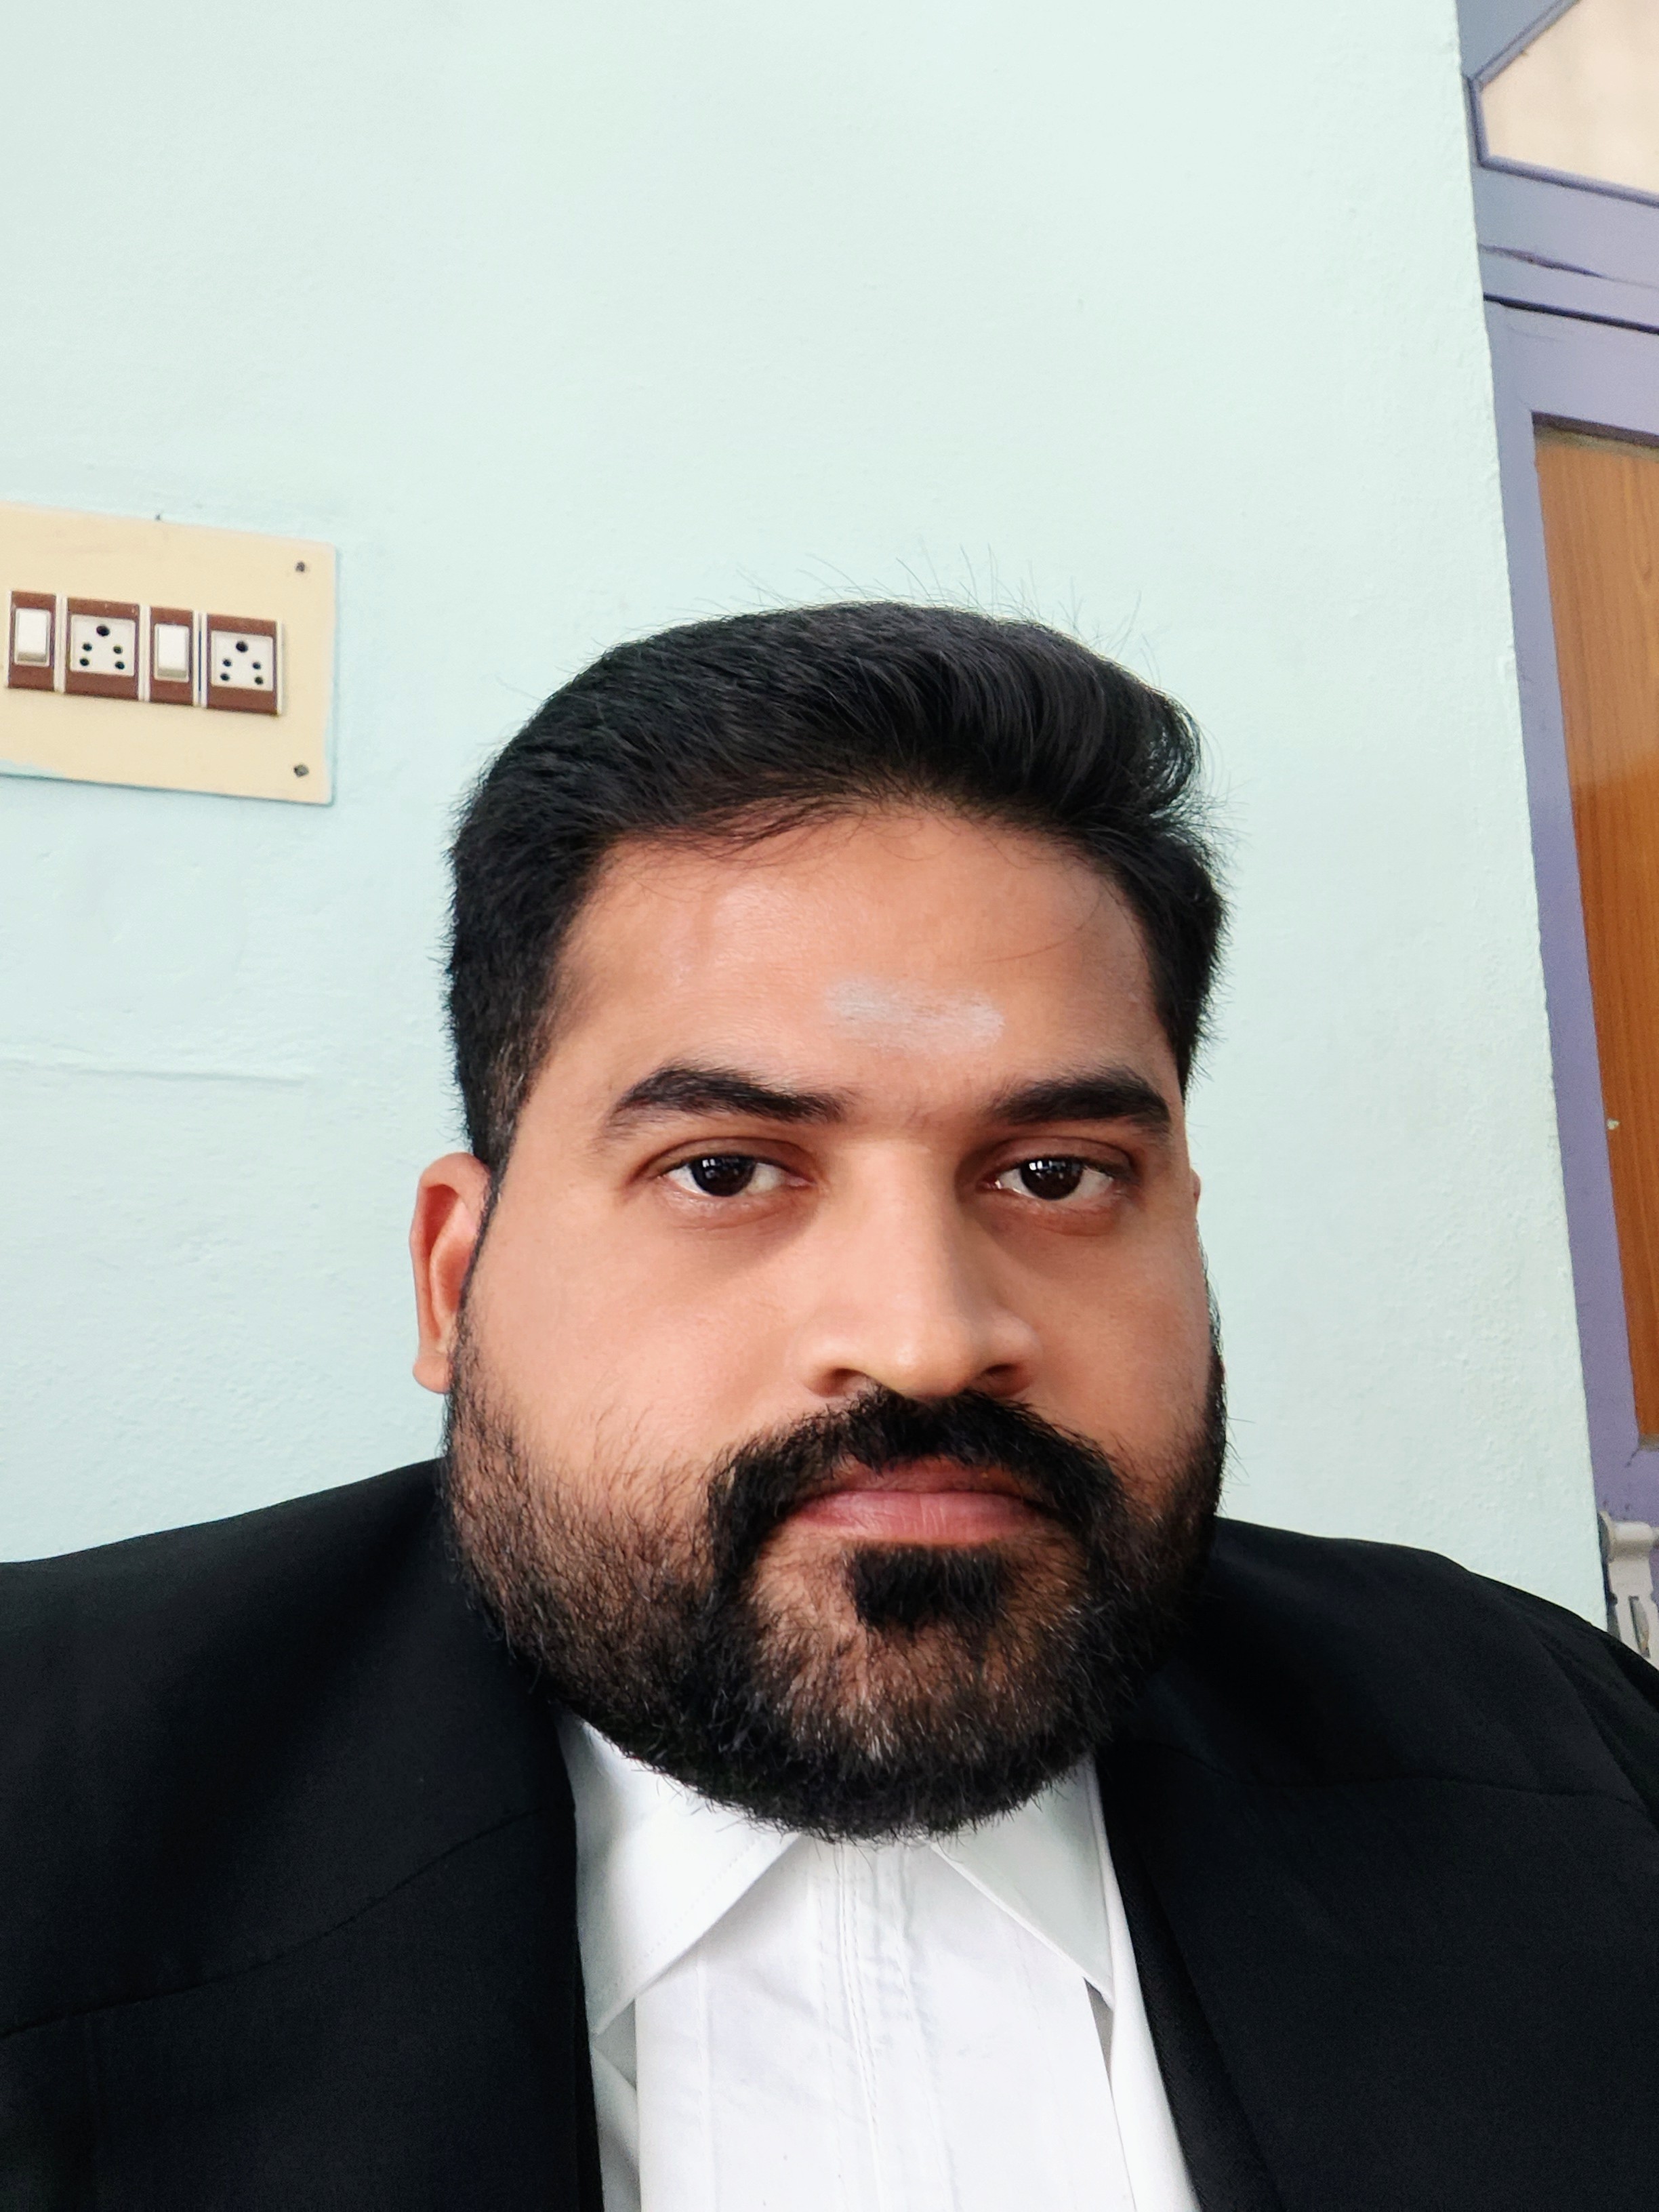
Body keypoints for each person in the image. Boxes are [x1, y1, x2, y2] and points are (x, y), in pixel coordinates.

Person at [4, 603, 1658, 2212]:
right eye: (726, 1171)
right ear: (456, 1277)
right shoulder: (46, 1803)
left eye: (1056, 1175)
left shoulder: (1577, 1765)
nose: (927, 1341)